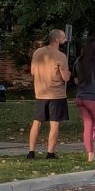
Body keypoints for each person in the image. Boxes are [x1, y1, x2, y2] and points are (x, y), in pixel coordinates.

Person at [28, 29, 70, 159]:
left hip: (40, 93)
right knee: (54, 123)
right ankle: (50, 153)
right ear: (57, 40)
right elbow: (65, 77)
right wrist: (68, 74)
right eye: (63, 37)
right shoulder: (61, 56)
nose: (65, 38)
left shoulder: (37, 53)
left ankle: (31, 152)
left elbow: (33, 71)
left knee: (37, 122)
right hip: (56, 94)